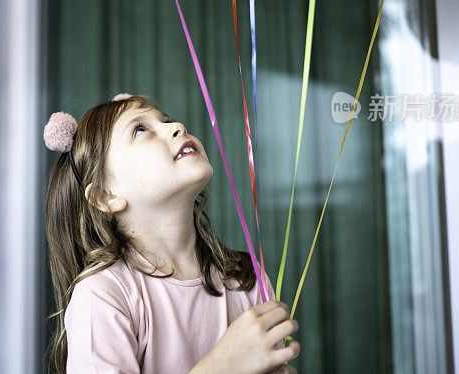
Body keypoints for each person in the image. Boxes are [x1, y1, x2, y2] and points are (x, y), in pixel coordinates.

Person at [43, 93, 301, 374]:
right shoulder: (103, 294)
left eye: (165, 119)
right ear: (107, 195)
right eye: (140, 129)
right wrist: (223, 366)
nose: (176, 125)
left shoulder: (245, 279)